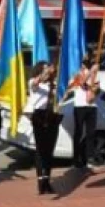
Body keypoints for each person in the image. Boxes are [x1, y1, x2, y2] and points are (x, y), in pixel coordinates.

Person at [26, 62, 58, 195]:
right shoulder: (33, 82)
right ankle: (40, 180)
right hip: (38, 115)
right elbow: (35, 84)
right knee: (40, 148)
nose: (48, 72)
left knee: (49, 149)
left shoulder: (52, 85)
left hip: (51, 115)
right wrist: (45, 74)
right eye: (44, 69)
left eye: (48, 70)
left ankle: (47, 179)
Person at [70, 57, 100, 170]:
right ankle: (75, 159)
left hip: (92, 106)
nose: (84, 63)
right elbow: (81, 82)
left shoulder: (95, 73)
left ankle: (90, 158)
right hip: (79, 106)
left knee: (91, 133)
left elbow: (96, 88)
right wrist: (90, 73)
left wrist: (94, 85)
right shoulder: (75, 73)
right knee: (78, 133)